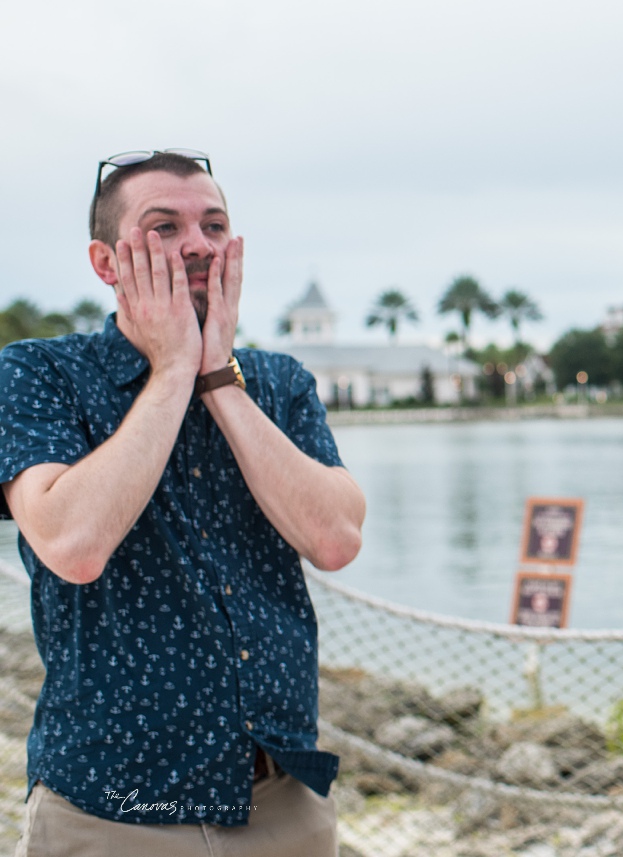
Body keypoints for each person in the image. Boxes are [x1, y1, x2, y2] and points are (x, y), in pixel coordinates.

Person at [0, 150, 366, 856]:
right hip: (110, 809)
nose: (197, 244)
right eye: (164, 227)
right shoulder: (37, 372)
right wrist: (170, 370)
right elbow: (72, 544)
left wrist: (218, 380)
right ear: (106, 263)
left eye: (214, 225)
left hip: (281, 802)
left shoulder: (278, 381)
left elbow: (336, 537)